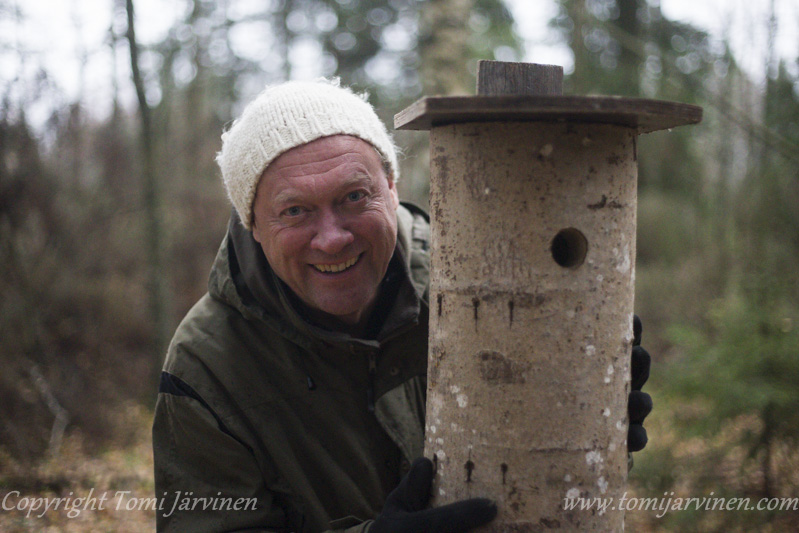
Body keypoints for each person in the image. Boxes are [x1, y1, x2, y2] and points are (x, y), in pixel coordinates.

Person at [152, 78, 652, 532]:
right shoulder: (208, 365)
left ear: (391, 188)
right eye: (295, 210)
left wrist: (584, 442)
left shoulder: (481, 288)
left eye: (354, 196)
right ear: (254, 226)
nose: (332, 238)